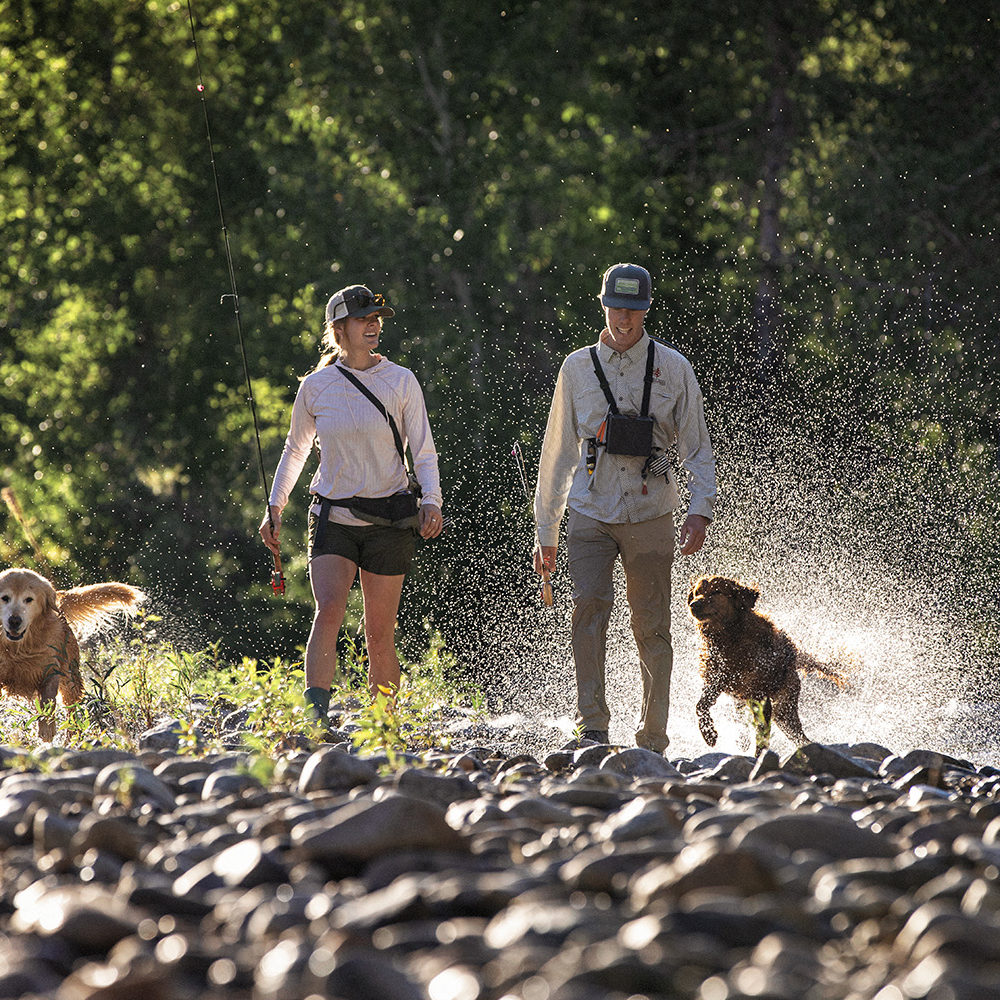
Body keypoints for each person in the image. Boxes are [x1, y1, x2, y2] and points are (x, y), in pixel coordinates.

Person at [533, 263, 716, 752]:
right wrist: (545, 531)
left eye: (634, 310)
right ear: (603, 304)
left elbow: (697, 446)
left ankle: (653, 736)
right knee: (587, 611)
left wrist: (699, 510)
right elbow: (558, 453)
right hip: (589, 510)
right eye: (616, 307)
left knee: (652, 624)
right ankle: (591, 725)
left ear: (646, 309)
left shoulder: (674, 368)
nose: (624, 319)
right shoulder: (575, 368)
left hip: (652, 510)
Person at [260, 283, 443, 724]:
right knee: (329, 612)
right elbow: (295, 451)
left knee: (380, 633)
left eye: (377, 318)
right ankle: (316, 719)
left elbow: (423, 451)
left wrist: (432, 500)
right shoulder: (316, 388)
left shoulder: (401, 380)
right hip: (332, 516)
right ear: (338, 328)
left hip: (389, 519)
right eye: (364, 319)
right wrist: (275, 506)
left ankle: (384, 723)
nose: (374, 325)